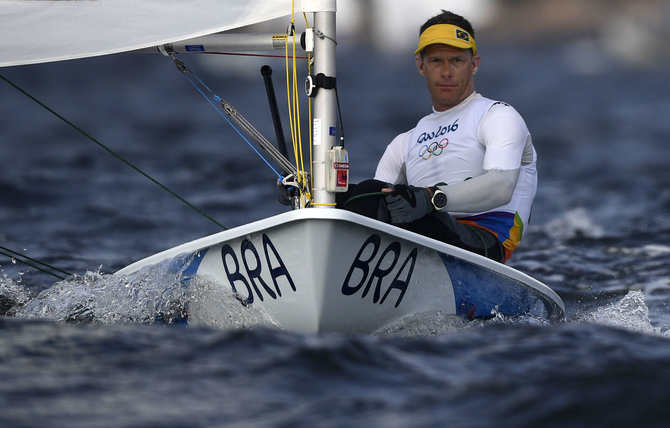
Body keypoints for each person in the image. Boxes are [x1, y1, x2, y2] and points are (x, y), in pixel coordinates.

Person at [345, 10, 537, 264]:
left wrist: (429, 199)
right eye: (436, 60)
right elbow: (374, 204)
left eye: (457, 60)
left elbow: (501, 188)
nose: (447, 72)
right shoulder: (404, 143)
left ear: (475, 64)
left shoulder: (499, 116)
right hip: (426, 241)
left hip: (486, 244)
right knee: (365, 193)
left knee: (420, 214)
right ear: (421, 66)